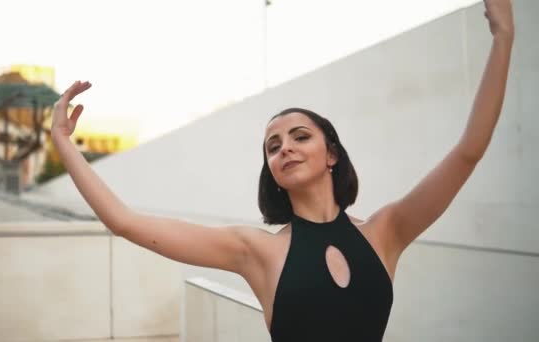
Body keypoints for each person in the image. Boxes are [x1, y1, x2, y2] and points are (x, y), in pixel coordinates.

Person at [50, 0, 514, 340]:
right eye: (273, 146)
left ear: (332, 154)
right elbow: (124, 222)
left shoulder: (386, 231)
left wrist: (503, 40)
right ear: (272, 171)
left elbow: (468, 151)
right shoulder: (257, 251)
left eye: (300, 136)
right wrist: (63, 145)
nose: (285, 149)